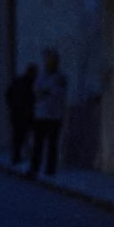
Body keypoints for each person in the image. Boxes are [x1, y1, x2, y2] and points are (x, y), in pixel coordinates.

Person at [29, 48, 67, 178]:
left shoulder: (60, 77)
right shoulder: (41, 76)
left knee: (52, 144)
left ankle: (50, 169)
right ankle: (34, 168)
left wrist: (47, 92)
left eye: (52, 61)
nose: (49, 63)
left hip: (54, 116)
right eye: (48, 61)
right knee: (38, 144)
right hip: (41, 115)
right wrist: (46, 92)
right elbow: (36, 92)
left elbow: (58, 92)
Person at [4, 62, 37, 168]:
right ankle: (26, 156)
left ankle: (17, 156)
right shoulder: (31, 84)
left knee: (18, 136)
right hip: (26, 114)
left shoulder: (18, 82)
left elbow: (8, 95)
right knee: (26, 136)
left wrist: (12, 107)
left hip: (17, 113)